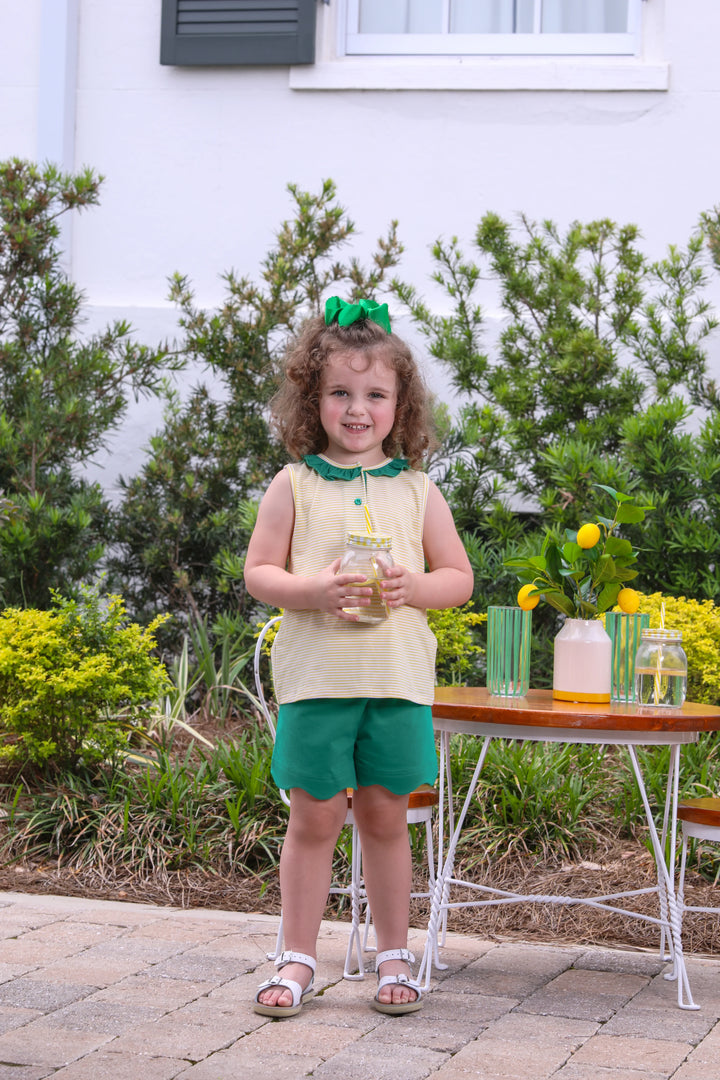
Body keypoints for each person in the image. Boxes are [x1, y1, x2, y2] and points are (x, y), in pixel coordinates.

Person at [245, 296, 473, 1018]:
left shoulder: (416, 488)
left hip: (397, 683)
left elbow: (459, 579)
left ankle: (394, 956)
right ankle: (298, 957)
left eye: (374, 394)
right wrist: (311, 589)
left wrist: (416, 587)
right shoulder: (294, 485)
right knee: (314, 818)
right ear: (311, 400)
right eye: (339, 392)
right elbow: (258, 573)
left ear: (399, 404)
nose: (356, 409)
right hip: (317, 683)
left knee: (383, 817)